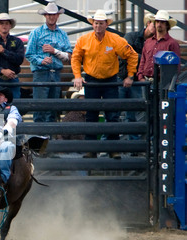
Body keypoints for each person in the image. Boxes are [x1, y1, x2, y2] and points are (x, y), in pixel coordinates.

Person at [71, 9, 138, 159]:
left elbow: (132, 55)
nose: (98, 26)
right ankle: (92, 149)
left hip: (109, 81)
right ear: (93, 24)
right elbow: (75, 57)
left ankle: (112, 149)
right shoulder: (84, 40)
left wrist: (130, 75)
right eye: (96, 23)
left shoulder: (115, 40)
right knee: (91, 115)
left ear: (106, 24)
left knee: (112, 115)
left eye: (101, 23)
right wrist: (77, 75)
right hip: (92, 80)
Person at [25, 3, 72, 122]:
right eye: (49, 15)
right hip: (41, 72)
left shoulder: (62, 34)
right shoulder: (36, 32)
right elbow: (29, 54)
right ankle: (41, 138)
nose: (51, 17)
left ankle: (49, 138)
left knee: (52, 109)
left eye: (54, 15)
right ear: (45, 16)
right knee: (40, 109)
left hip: (55, 73)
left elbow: (69, 56)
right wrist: (41, 61)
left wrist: (54, 51)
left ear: (57, 16)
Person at [118, 13, 155, 141]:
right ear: (148, 24)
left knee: (131, 112)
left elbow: (129, 55)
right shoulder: (132, 37)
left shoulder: (133, 37)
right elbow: (125, 54)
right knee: (117, 111)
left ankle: (127, 144)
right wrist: (145, 59)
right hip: (123, 77)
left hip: (132, 78)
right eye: (153, 23)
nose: (156, 27)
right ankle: (118, 144)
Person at [136, 10, 181, 82]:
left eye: (162, 22)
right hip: (146, 81)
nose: (159, 24)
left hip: (163, 83)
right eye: (157, 22)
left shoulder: (172, 43)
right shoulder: (148, 42)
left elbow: (176, 66)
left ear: (167, 25)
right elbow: (143, 60)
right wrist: (141, 76)